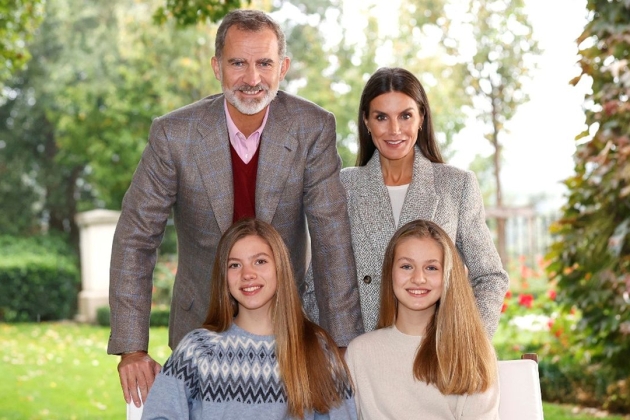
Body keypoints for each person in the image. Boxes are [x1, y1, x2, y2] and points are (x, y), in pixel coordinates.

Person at [108, 9, 363, 407]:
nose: (252, 78)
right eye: (237, 63)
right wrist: (131, 347)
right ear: (216, 67)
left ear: (283, 67)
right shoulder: (174, 134)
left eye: (264, 63)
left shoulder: (313, 127)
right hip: (200, 326)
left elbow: (332, 237)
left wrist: (344, 344)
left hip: (287, 329)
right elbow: (136, 237)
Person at [305, 67, 508, 335]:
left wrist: (467, 344)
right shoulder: (342, 187)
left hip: (436, 354)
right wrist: (337, 351)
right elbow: (317, 283)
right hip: (362, 355)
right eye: (381, 117)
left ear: (421, 117)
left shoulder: (456, 185)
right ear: (366, 121)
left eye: (405, 116)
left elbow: (490, 277)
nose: (394, 129)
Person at [141, 218, 357, 419]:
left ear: (280, 269)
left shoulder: (317, 349)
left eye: (260, 261)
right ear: (223, 277)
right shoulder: (197, 349)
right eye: (234, 265)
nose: (247, 274)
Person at [345, 219, 500, 419]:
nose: (418, 278)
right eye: (407, 266)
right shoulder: (359, 352)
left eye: (431, 268)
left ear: (448, 276)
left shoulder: (472, 350)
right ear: (390, 272)